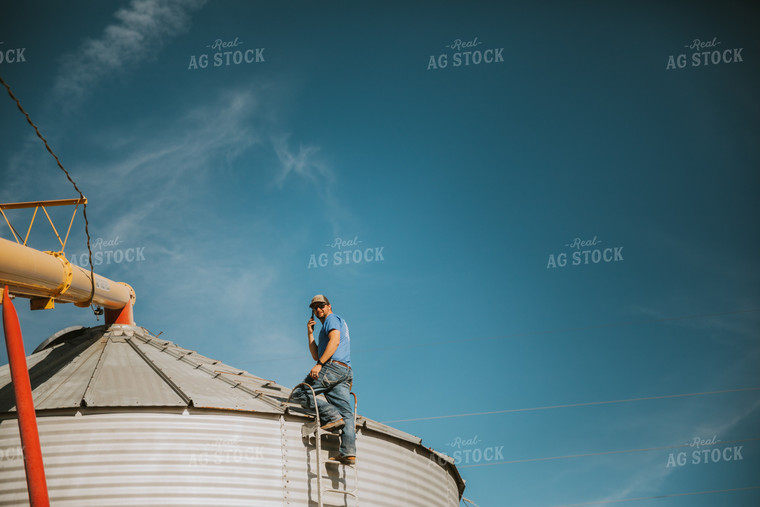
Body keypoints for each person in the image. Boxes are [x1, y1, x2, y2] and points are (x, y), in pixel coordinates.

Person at [290, 294, 356, 464]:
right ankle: (348, 451)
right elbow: (315, 354)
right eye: (315, 308)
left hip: (332, 367)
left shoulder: (332, 319)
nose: (318, 309)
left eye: (321, 306)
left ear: (329, 306)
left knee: (299, 393)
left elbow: (334, 342)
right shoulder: (327, 325)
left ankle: (332, 416)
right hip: (344, 371)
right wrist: (310, 333)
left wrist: (320, 365)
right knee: (346, 413)